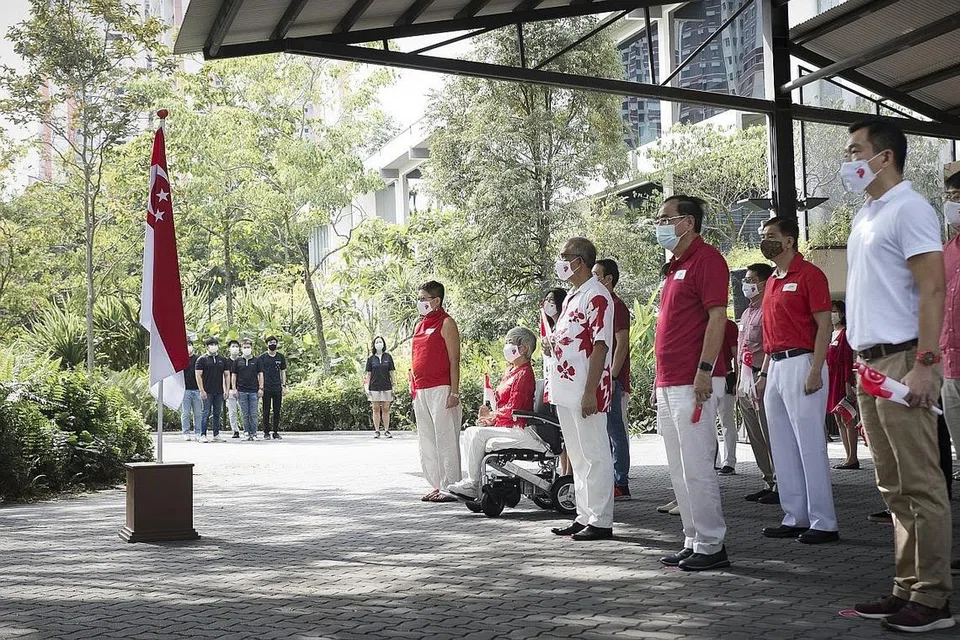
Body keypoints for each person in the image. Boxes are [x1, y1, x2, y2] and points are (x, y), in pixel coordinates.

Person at [843, 118, 954, 632]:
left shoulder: (910, 208)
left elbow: (933, 288)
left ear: (884, 157)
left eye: (855, 150)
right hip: (871, 365)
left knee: (921, 483)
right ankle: (906, 586)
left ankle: (933, 598)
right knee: (893, 485)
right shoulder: (867, 213)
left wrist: (925, 364)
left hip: (904, 361)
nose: (848, 161)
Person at [651, 195, 731, 571]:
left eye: (666, 218)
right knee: (678, 468)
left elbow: (717, 318)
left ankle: (712, 544)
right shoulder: (674, 266)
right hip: (668, 381)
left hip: (692, 380)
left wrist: (704, 369)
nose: (659, 225)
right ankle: (693, 537)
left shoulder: (707, 260)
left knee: (697, 465)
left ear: (688, 222)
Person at [756, 216, 838, 545]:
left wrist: (816, 368)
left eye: (771, 235)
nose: (765, 241)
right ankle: (795, 515)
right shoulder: (772, 280)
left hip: (802, 361)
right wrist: (764, 373)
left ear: (789, 241)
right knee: (782, 444)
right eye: (764, 235)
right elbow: (769, 332)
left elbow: (824, 326)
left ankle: (824, 521)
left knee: (809, 444)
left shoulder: (809, 275)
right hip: (776, 365)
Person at [546, 237, 615, 541]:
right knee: (577, 454)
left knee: (594, 454)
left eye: (565, 257)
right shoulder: (574, 295)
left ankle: (601, 520)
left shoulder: (597, 295)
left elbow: (600, 345)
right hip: (566, 388)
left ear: (580, 261)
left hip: (587, 388)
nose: (561, 262)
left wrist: (590, 391)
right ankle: (584, 514)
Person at [446, 327, 541, 500]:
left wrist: (491, 416)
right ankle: (472, 481)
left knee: (478, 434)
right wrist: (490, 418)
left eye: (510, 342)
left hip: (520, 428)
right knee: (470, 432)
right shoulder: (511, 371)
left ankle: (473, 484)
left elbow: (515, 408)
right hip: (508, 424)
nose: (506, 346)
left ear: (524, 348)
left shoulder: (525, 373)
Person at [411, 281, 462, 503]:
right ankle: (436, 484)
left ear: (436, 300)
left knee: (445, 437)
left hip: (441, 387)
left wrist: (454, 392)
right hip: (421, 389)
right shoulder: (419, 325)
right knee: (427, 439)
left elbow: (454, 359)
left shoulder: (447, 322)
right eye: (419, 298)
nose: (420, 302)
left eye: (424, 298)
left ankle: (451, 485)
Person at [737, 263, 778, 503]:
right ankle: (768, 480)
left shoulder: (768, 310)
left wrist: (762, 376)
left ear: (764, 283)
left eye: (751, 280)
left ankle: (782, 482)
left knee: (769, 432)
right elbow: (741, 349)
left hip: (761, 377)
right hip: (744, 379)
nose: (746, 284)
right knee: (755, 435)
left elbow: (771, 346)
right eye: (746, 279)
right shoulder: (746, 313)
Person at [592, 259, 632, 501]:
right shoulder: (601, 304)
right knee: (604, 431)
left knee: (616, 430)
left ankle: (621, 481)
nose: (593, 278)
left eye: (597, 274)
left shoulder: (617, 306)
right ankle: (608, 478)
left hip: (612, 380)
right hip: (600, 378)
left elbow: (622, 343)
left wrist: (613, 376)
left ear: (608, 279)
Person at [941, 171, 960, 475]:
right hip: (949, 367)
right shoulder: (946, 251)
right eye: (950, 198)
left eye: (958, 198)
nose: (952, 204)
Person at [827, 301, 858, 470]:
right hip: (831, 380)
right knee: (838, 419)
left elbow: (847, 360)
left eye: (834, 311)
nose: (832, 314)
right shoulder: (829, 333)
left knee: (847, 418)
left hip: (842, 380)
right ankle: (848, 456)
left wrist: (848, 383)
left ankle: (853, 457)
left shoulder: (846, 334)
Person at [195, 337, 230, 443]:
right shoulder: (202, 359)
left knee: (217, 413)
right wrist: (201, 390)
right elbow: (198, 375)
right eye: (211, 345)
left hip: (219, 391)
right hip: (207, 391)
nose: (214, 346)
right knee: (206, 412)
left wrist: (227, 390)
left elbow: (227, 375)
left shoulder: (222, 359)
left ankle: (216, 434)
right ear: (207, 347)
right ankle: (202, 434)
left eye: (215, 344)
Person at [715, 319, 738, 476]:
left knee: (727, 421)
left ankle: (729, 461)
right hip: (707, 377)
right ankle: (715, 460)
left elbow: (736, 354)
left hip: (725, 376)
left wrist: (737, 379)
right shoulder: (700, 322)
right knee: (707, 423)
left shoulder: (728, 326)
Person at [364, 336, 395, 439]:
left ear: (383, 344)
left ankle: (386, 430)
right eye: (377, 342)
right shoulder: (371, 359)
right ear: (374, 345)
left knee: (386, 408)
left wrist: (394, 385)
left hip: (386, 386)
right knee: (375, 408)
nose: (378, 343)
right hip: (374, 387)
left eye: (380, 342)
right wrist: (366, 387)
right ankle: (377, 431)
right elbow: (368, 374)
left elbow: (391, 373)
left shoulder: (388, 357)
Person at [258, 336, 287, 440]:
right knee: (266, 410)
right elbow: (259, 373)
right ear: (267, 344)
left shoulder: (280, 357)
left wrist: (284, 386)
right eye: (270, 342)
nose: (272, 344)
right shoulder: (262, 358)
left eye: (274, 342)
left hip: (277, 388)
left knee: (277, 410)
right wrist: (260, 387)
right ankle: (266, 432)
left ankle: (275, 432)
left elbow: (283, 372)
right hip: (266, 387)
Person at [231, 338, 260, 441]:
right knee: (245, 414)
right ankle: (246, 432)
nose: (247, 349)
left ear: (251, 348)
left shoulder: (257, 361)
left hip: (254, 391)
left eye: (248, 347)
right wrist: (234, 389)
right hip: (241, 391)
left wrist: (261, 388)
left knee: (254, 414)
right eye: (245, 347)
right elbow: (234, 375)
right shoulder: (237, 361)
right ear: (241, 348)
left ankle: (254, 433)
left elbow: (260, 374)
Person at [180, 335, 201, 441]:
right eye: (186, 345)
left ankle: (198, 432)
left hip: (197, 389)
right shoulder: (181, 359)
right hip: (185, 390)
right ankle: (186, 432)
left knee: (198, 413)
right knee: (185, 413)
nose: (188, 347)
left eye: (190, 345)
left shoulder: (198, 359)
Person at [226, 339, 242, 439]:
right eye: (233, 346)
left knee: (245, 412)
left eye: (236, 346)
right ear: (229, 349)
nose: (235, 348)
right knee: (232, 412)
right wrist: (226, 390)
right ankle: (235, 430)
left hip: (242, 390)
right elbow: (224, 376)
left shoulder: (242, 360)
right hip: (231, 390)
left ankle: (247, 430)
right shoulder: (226, 362)